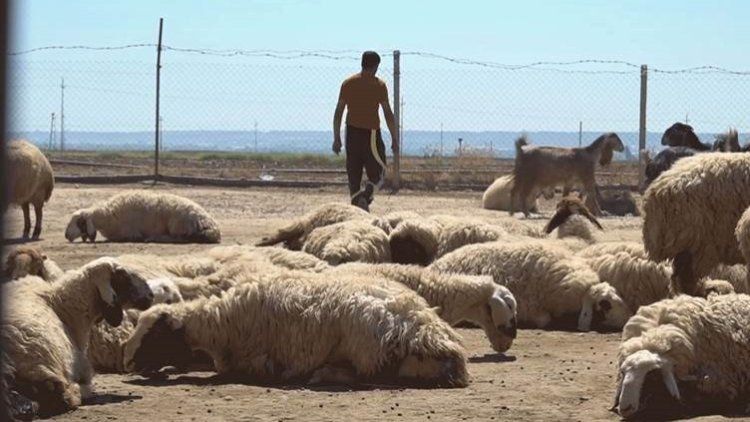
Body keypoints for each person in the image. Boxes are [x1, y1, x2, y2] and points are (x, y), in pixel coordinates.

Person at [332, 50, 399, 211]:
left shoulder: (348, 83)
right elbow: (388, 114)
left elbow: (338, 112)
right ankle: (366, 195)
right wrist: (394, 139)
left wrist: (336, 137)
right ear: (376, 66)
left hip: (351, 133)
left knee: (353, 172)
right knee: (379, 171)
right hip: (371, 134)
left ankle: (356, 205)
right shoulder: (379, 85)